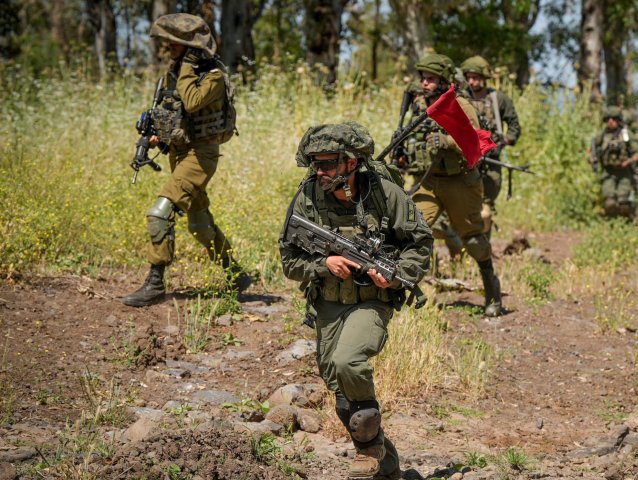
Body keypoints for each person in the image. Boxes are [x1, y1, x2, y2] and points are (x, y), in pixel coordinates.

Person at [280, 122, 432, 480]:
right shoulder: (308, 197)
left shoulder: (385, 194)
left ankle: (367, 452)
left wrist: (395, 273)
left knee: (349, 362)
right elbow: (289, 261)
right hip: (328, 303)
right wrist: (324, 264)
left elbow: (420, 243)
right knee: (342, 395)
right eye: (316, 163)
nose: (320, 171)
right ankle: (387, 464)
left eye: (329, 163)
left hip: (372, 300)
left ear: (351, 162)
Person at [122, 13, 251, 307]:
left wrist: (190, 67)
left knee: (159, 212)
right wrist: (156, 137)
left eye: (174, 43)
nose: (167, 47)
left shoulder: (213, 76)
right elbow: (172, 111)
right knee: (199, 225)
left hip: (201, 155)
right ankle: (236, 274)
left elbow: (192, 101)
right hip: (180, 154)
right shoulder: (174, 73)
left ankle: (155, 283)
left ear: (191, 47)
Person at [399, 53, 504, 316]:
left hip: (461, 182)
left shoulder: (461, 106)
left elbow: (477, 144)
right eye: (423, 78)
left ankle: (493, 295)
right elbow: (412, 139)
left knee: (474, 240)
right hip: (428, 182)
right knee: (411, 230)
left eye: (431, 79)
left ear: (445, 80)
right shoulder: (418, 105)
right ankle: (398, 294)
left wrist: (446, 142)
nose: (425, 83)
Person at [461, 55, 522, 236]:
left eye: (476, 77)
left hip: (491, 161)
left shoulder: (499, 99)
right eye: (469, 77)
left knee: (485, 208)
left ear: (484, 78)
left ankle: (483, 247)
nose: (471, 82)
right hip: (465, 160)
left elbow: (514, 126)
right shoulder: (461, 99)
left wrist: (503, 143)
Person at [589, 106, 638, 220]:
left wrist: (629, 161)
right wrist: (592, 158)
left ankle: (626, 222)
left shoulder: (626, 135)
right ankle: (612, 222)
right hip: (608, 171)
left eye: (613, 119)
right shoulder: (602, 135)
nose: (610, 121)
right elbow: (591, 150)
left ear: (618, 120)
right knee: (609, 201)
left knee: (623, 202)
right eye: (608, 119)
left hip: (624, 171)